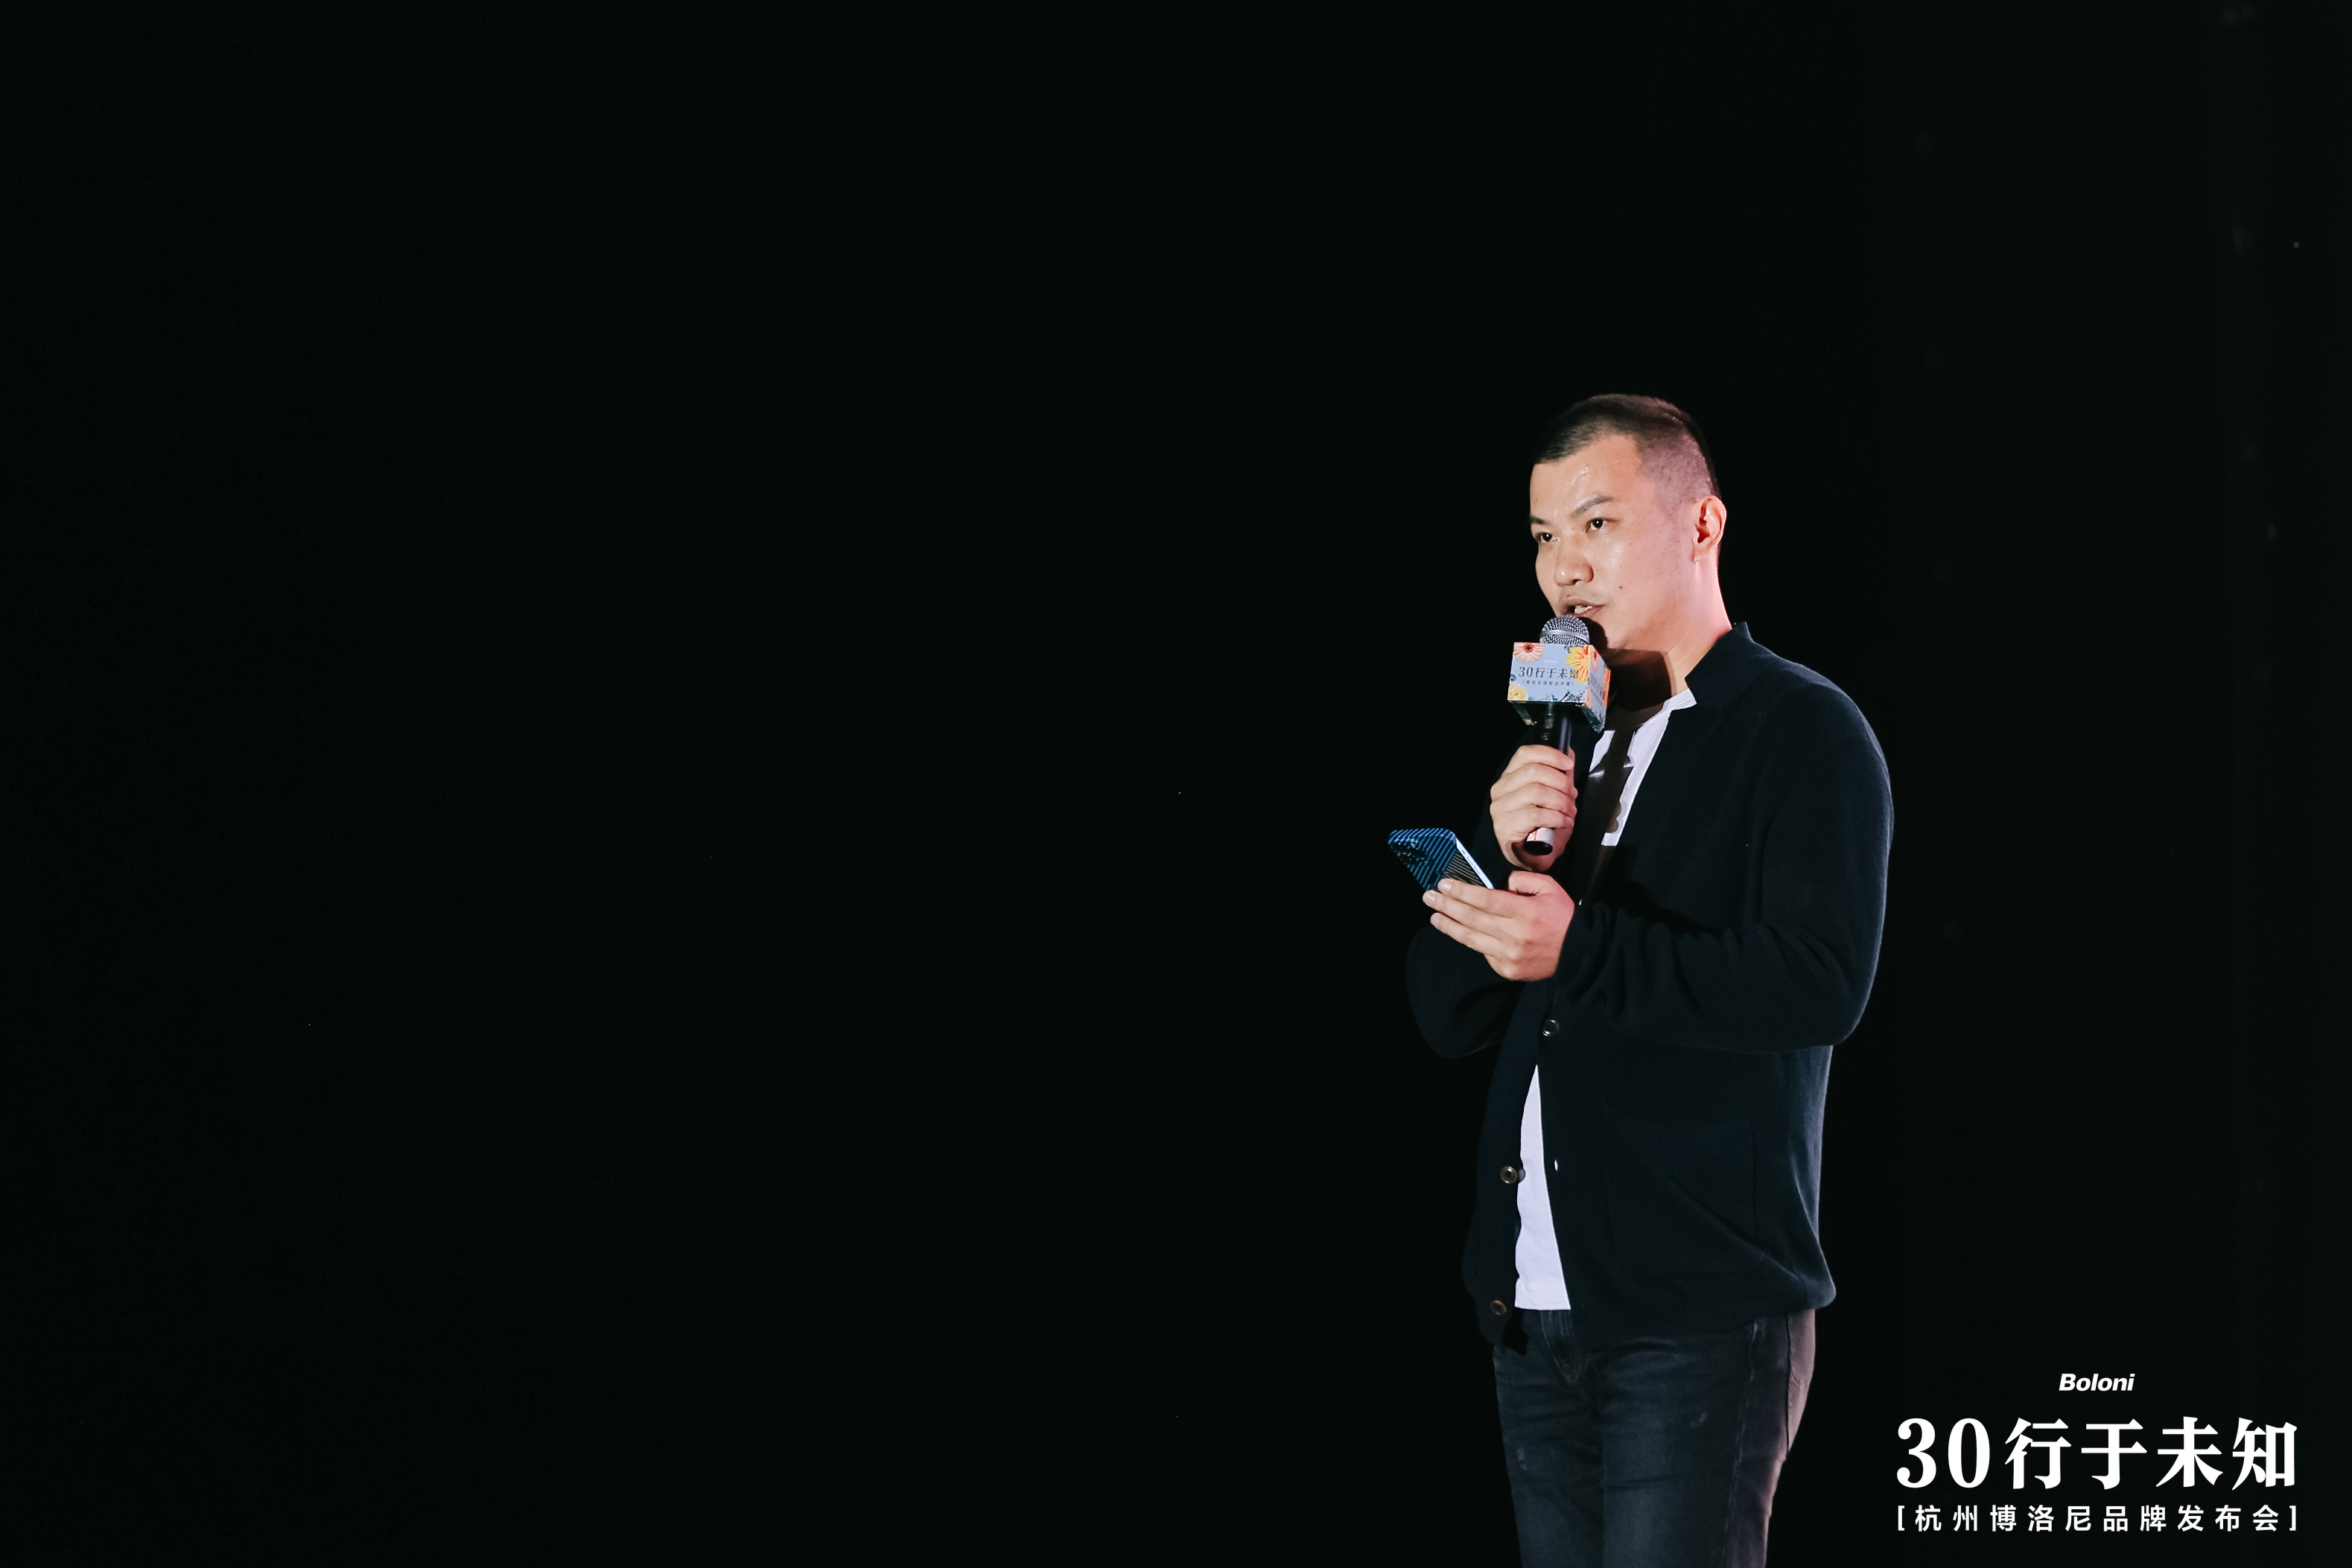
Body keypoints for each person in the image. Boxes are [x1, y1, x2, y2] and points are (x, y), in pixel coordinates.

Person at [1407, 394, 1892, 1568]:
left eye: (1597, 523)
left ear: (1701, 524)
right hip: (1532, 1309)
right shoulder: (1567, 745)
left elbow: (1818, 982)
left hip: (1696, 1308)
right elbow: (1445, 1012)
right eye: (1541, 537)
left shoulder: (1798, 728)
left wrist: (1580, 948)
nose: (1563, 568)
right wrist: (1505, 843)